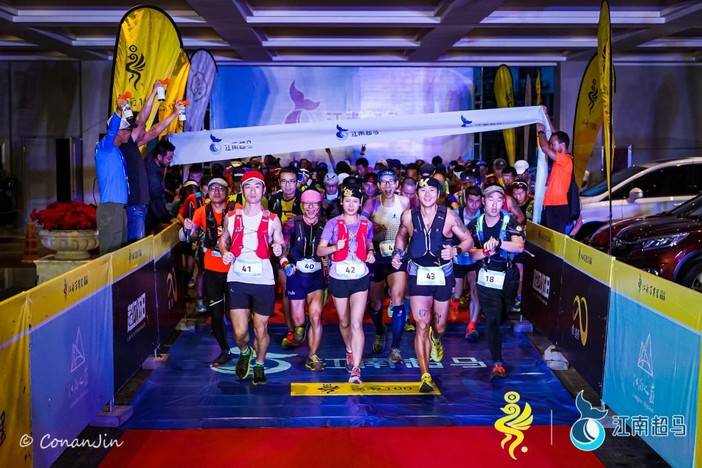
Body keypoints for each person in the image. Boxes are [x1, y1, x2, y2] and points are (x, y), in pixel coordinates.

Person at [392, 177, 473, 393]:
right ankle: (425, 375)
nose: (427, 194)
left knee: (439, 326)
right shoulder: (408, 216)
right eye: (423, 190)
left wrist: (456, 250)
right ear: (416, 194)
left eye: (431, 190)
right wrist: (398, 252)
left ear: (438, 194)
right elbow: (401, 236)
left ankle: (436, 338)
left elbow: (468, 240)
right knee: (421, 324)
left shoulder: (449, 216)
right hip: (417, 271)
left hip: (442, 273)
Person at [219, 171, 285, 385]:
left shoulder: (272, 219)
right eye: (248, 186)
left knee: (260, 328)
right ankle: (245, 351)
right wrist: (224, 251)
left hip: (263, 279)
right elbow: (223, 239)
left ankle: (259, 364)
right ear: (242, 190)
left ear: (264, 190)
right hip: (237, 277)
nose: (253, 191)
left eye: (257, 186)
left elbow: (281, 243)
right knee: (239, 332)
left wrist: (279, 248)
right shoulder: (231, 216)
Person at [317, 184, 375, 385]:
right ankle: (349, 349)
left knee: (357, 323)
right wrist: (335, 247)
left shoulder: (367, 223)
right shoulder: (332, 223)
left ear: (360, 203)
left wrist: (371, 253)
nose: (351, 205)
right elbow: (320, 251)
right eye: (347, 201)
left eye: (355, 201)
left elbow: (369, 243)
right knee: (344, 322)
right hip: (339, 276)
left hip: (360, 276)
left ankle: (356, 370)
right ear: (342, 202)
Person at [468, 184, 525, 380]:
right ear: (483, 201)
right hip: (486, 276)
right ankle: (497, 363)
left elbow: (519, 246)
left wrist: (499, 243)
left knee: (502, 315)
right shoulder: (474, 225)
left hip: (508, 275)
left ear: (503, 203)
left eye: (499, 200)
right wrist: (485, 251)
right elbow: (472, 254)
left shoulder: (510, 222)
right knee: (492, 318)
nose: (494, 204)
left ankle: (501, 319)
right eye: (490, 200)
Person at [362, 169, 411, 365]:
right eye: (383, 182)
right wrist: (372, 233)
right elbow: (360, 228)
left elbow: (413, 226)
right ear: (378, 185)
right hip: (376, 257)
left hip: (397, 257)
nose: (388, 185)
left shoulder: (405, 202)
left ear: (397, 184)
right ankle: (380, 330)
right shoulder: (371, 203)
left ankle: (396, 348)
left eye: (391, 181)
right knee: (375, 304)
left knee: (397, 299)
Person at [182, 178, 232, 366]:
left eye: (220, 188)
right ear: (207, 192)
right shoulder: (201, 212)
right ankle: (225, 350)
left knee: (236, 313)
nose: (216, 192)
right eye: (212, 188)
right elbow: (190, 235)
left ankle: (245, 348)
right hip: (212, 269)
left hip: (235, 269)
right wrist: (188, 229)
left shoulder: (236, 210)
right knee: (216, 314)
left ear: (227, 192)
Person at [280, 189, 327, 371]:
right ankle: (300, 330)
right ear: (301, 206)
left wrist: (329, 265)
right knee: (299, 325)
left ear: (320, 206)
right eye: (307, 204)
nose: (311, 208)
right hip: (296, 276)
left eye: (314, 204)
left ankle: (312, 355)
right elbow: (283, 247)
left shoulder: (326, 225)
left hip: (316, 277)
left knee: (316, 316)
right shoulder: (292, 224)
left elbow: (333, 248)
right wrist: (285, 263)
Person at [267, 167, 303, 348]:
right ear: (279, 183)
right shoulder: (273, 200)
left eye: (291, 181)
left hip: (303, 251)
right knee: (288, 290)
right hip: (282, 251)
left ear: (298, 182)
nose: (288, 186)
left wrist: (298, 220)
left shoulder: (305, 199)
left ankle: (303, 324)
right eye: (284, 181)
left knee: (305, 291)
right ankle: (291, 330)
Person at [95, 112, 131, 254]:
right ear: (119, 131)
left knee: (120, 253)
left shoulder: (117, 151)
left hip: (120, 208)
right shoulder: (104, 148)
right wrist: (118, 112)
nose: (130, 133)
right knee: (109, 252)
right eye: (127, 130)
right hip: (110, 207)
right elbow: (110, 133)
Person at [452, 186, 483, 341]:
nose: (474, 205)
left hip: (475, 259)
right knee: (456, 293)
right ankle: (454, 304)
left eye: (477, 201)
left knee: (475, 290)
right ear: (465, 199)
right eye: (471, 201)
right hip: (457, 259)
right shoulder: (455, 214)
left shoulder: (484, 216)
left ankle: (472, 326)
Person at [537, 113, 574, 234]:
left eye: (553, 144)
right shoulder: (561, 159)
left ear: (562, 145)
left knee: (555, 240)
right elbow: (556, 135)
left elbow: (545, 148)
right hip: (552, 205)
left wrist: (540, 132)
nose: (551, 146)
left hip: (558, 207)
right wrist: (546, 115)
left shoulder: (566, 159)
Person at [146, 139, 176, 230]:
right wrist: (168, 218)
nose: (170, 161)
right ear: (159, 157)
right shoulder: (153, 175)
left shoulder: (153, 159)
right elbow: (155, 200)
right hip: (147, 210)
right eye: (169, 158)